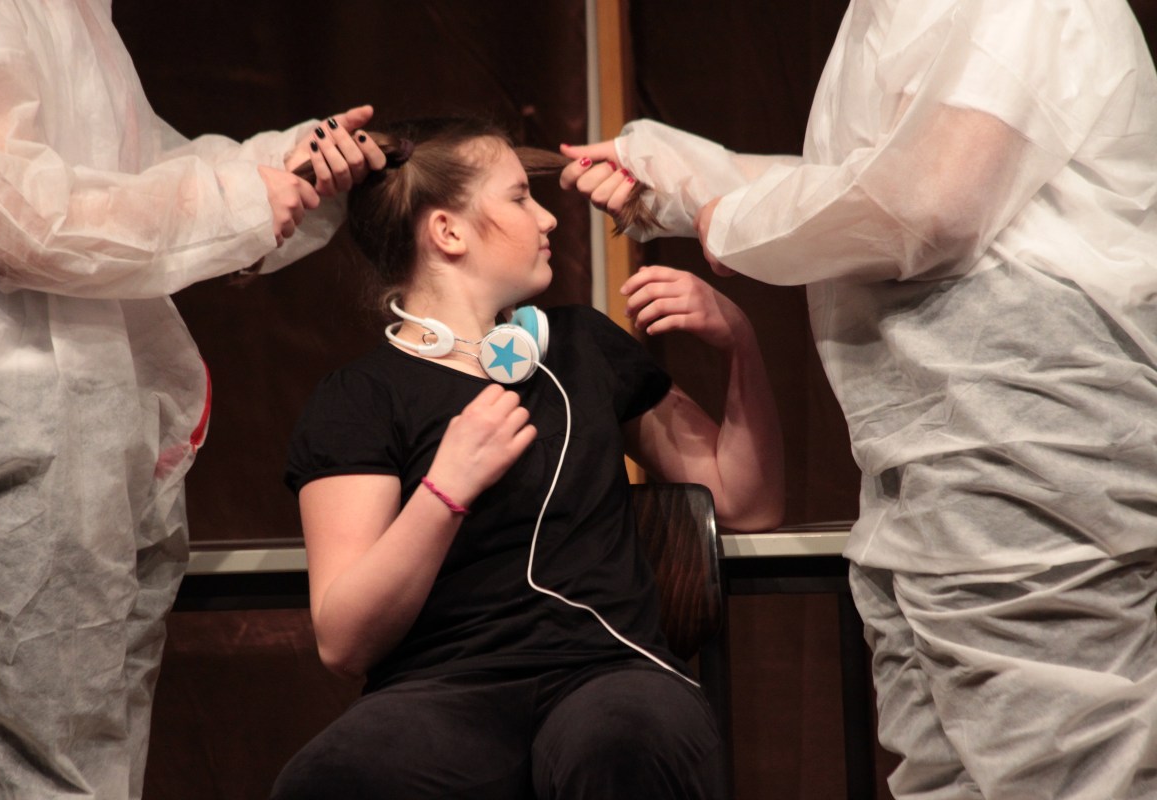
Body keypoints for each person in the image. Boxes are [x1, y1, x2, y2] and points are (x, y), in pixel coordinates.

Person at [561, 1, 1157, 797]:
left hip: (1026, 453)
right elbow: (864, 183)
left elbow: (927, 205)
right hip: (921, 464)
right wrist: (679, 175)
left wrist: (725, 217)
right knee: (943, 776)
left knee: (1062, 771)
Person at [269, 116, 784, 800]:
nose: (548, 218)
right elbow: (344, 642)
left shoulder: (581, 348)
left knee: (619, 747)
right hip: (441, 691)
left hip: (609, 673)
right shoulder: (360, 398)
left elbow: (748, 502)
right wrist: (445, 491)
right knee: (330, 782)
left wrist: (740, 342)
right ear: (448, 232)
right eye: (518, 197)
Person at [0, 1, 388, 797]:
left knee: (96, 754)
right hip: (19, 423)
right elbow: (21, 219)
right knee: (47, 766)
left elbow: (145, 172)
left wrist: (288, 164)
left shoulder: (77, 14)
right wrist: (239, 202)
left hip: (101, 423)